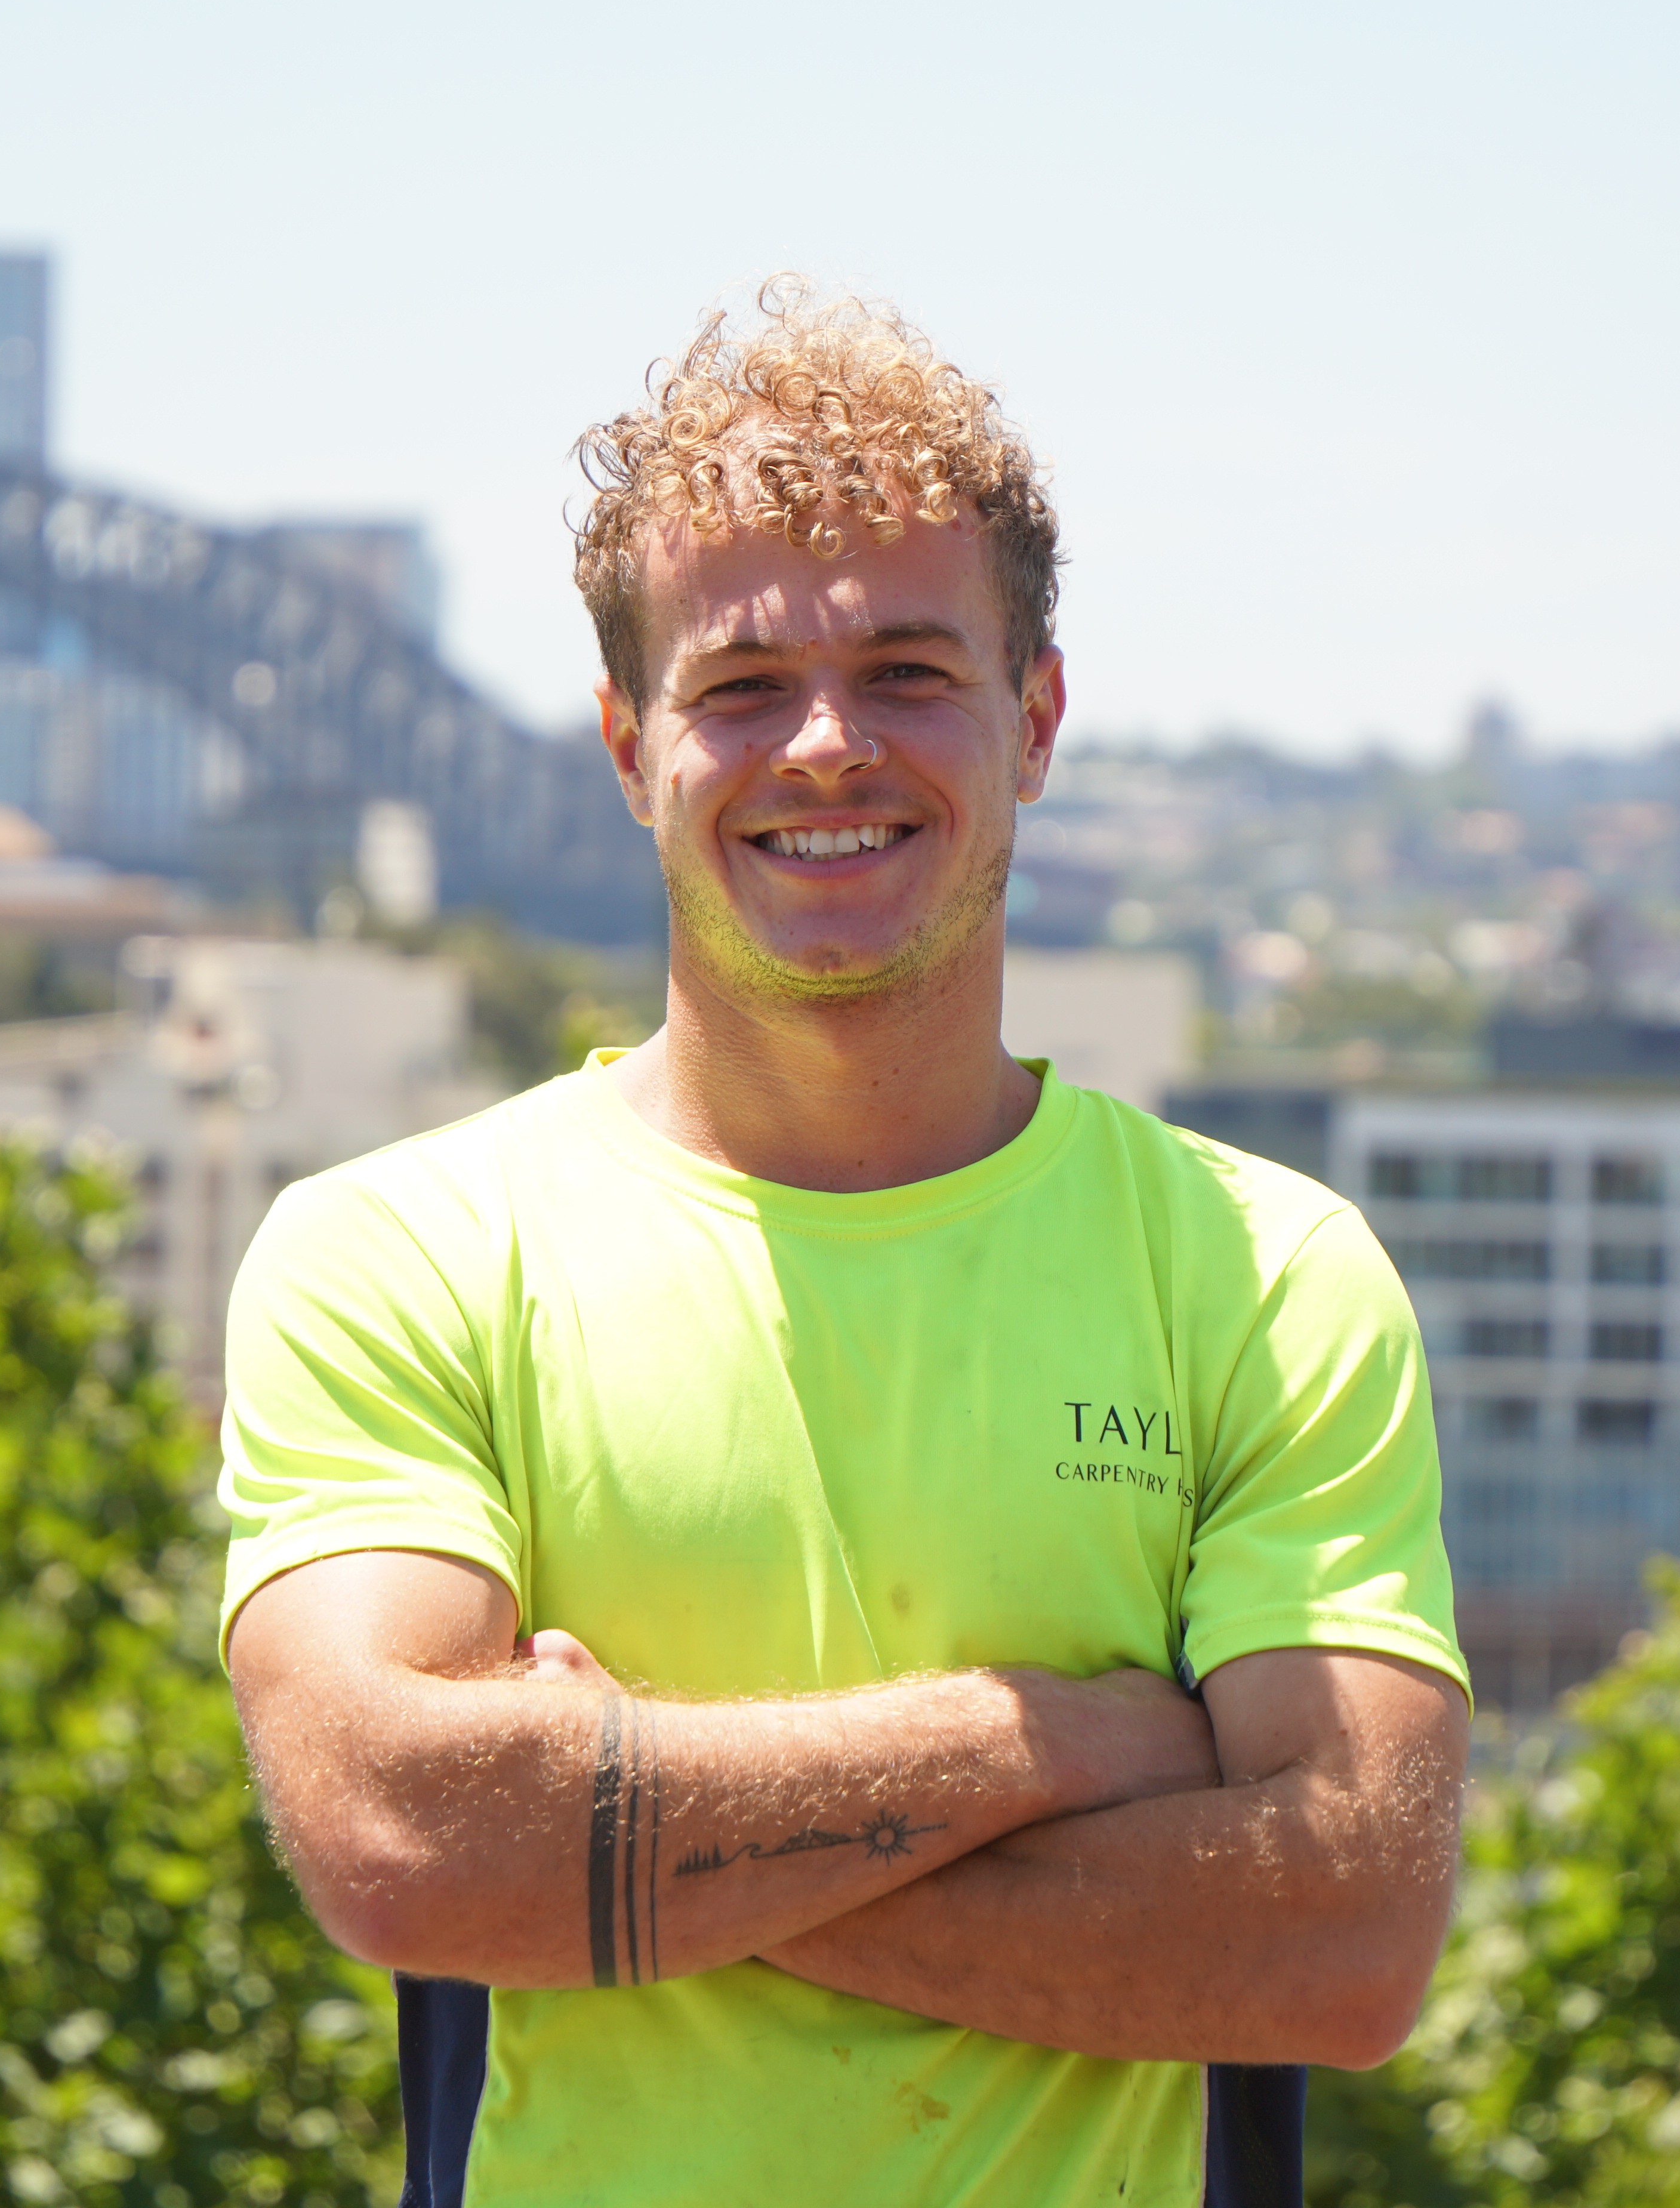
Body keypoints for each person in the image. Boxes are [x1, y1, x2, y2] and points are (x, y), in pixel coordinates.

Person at [218, 278, 1470, 2207]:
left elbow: (1344, 1938)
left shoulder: (1262, 1275)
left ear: (1033, 720)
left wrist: (607, 1840)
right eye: (739, 688)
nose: (824, 745)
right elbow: (407, 1844)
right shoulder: (404, 1255)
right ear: (628, 745)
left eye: (906, 671)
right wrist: (1052, 1744)